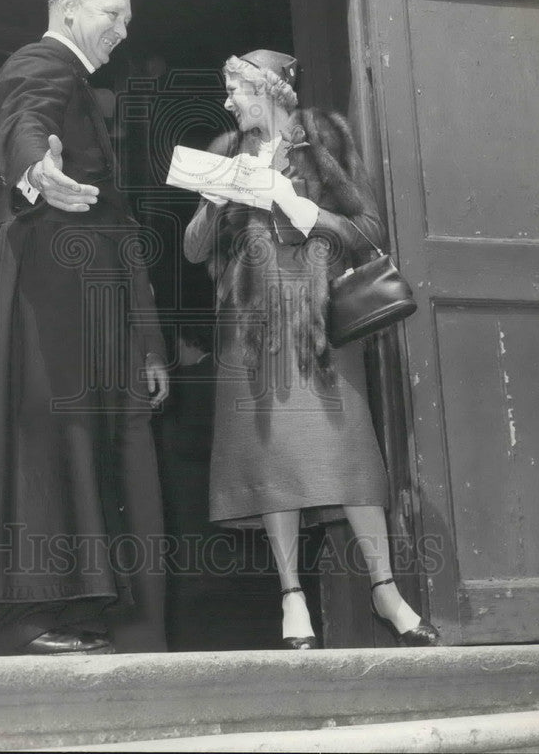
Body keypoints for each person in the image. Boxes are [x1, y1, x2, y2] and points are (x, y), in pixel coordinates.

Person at [0, 0, 169, 656]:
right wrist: (37, 170)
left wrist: (145, 340)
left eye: (129, 18)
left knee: (72, 452)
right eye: (112, 13)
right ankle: (28, 618)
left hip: (76, 311)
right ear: (68, 9)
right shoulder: (44, 64)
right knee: (40, 445)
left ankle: (73, 616)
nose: (123, 30)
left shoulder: (77, 80)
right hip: (40, 302)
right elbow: (23, 125)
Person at [183, 50, 439, 649]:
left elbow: (371, 230)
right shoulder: (225, 152)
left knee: (347, 456)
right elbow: (196, 250)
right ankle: (291, 595)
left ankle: (385, 589)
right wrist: (216, 201)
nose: (228, 103)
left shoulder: (324, 139)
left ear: (270, 88)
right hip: (251, 334)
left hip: (320, 324)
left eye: (236, 90)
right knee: (272, 463)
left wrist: (305, 210)